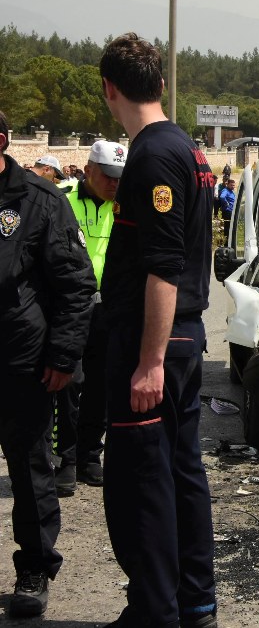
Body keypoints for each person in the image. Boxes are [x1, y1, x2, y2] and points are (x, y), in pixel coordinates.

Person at [99, 32, 218, 627]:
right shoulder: (186, 147)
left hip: (157, 344)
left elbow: (163, 268)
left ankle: (156, 611)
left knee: (141, 485)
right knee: (178, 472)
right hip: (180, 339)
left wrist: (147, 362)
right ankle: (192, 605)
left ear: (109, 89)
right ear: (162, 84)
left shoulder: (152, 155)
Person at [0, 109, 96, 617]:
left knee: (30, 470)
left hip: (21, 364)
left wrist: (62, 356)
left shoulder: (38, 202)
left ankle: (35, 567)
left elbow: (76, 287)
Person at [53, 140, 126, 497]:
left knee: (101, 385)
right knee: (68, 383)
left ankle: (89, 455)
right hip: (68, 307)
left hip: (107, 310)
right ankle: (64, 459)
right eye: (109, 177)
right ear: (90, 170)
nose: (114, 185)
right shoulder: (61, 198)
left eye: (119, 178)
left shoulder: (125, 205)